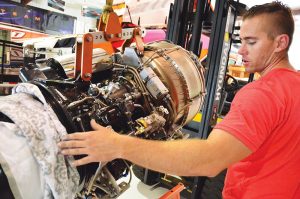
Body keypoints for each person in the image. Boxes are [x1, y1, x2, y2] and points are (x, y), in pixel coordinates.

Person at [58, 1, 300, 198]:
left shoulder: (262, 93)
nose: (242, 51)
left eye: (251, 42)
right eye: (241, 41)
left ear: (281, 43)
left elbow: (209, 160)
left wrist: (117, 145)